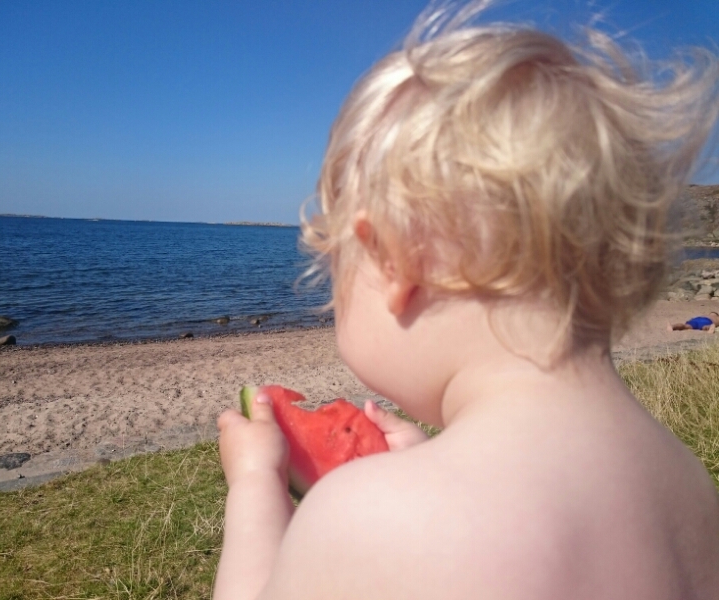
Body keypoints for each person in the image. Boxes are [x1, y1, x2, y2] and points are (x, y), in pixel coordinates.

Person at [213, 2, 719, 598]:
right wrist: (431, 462)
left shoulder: (361, 516)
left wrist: (255, 483)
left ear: (397, 260)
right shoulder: (687, 485)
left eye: (334, 269)